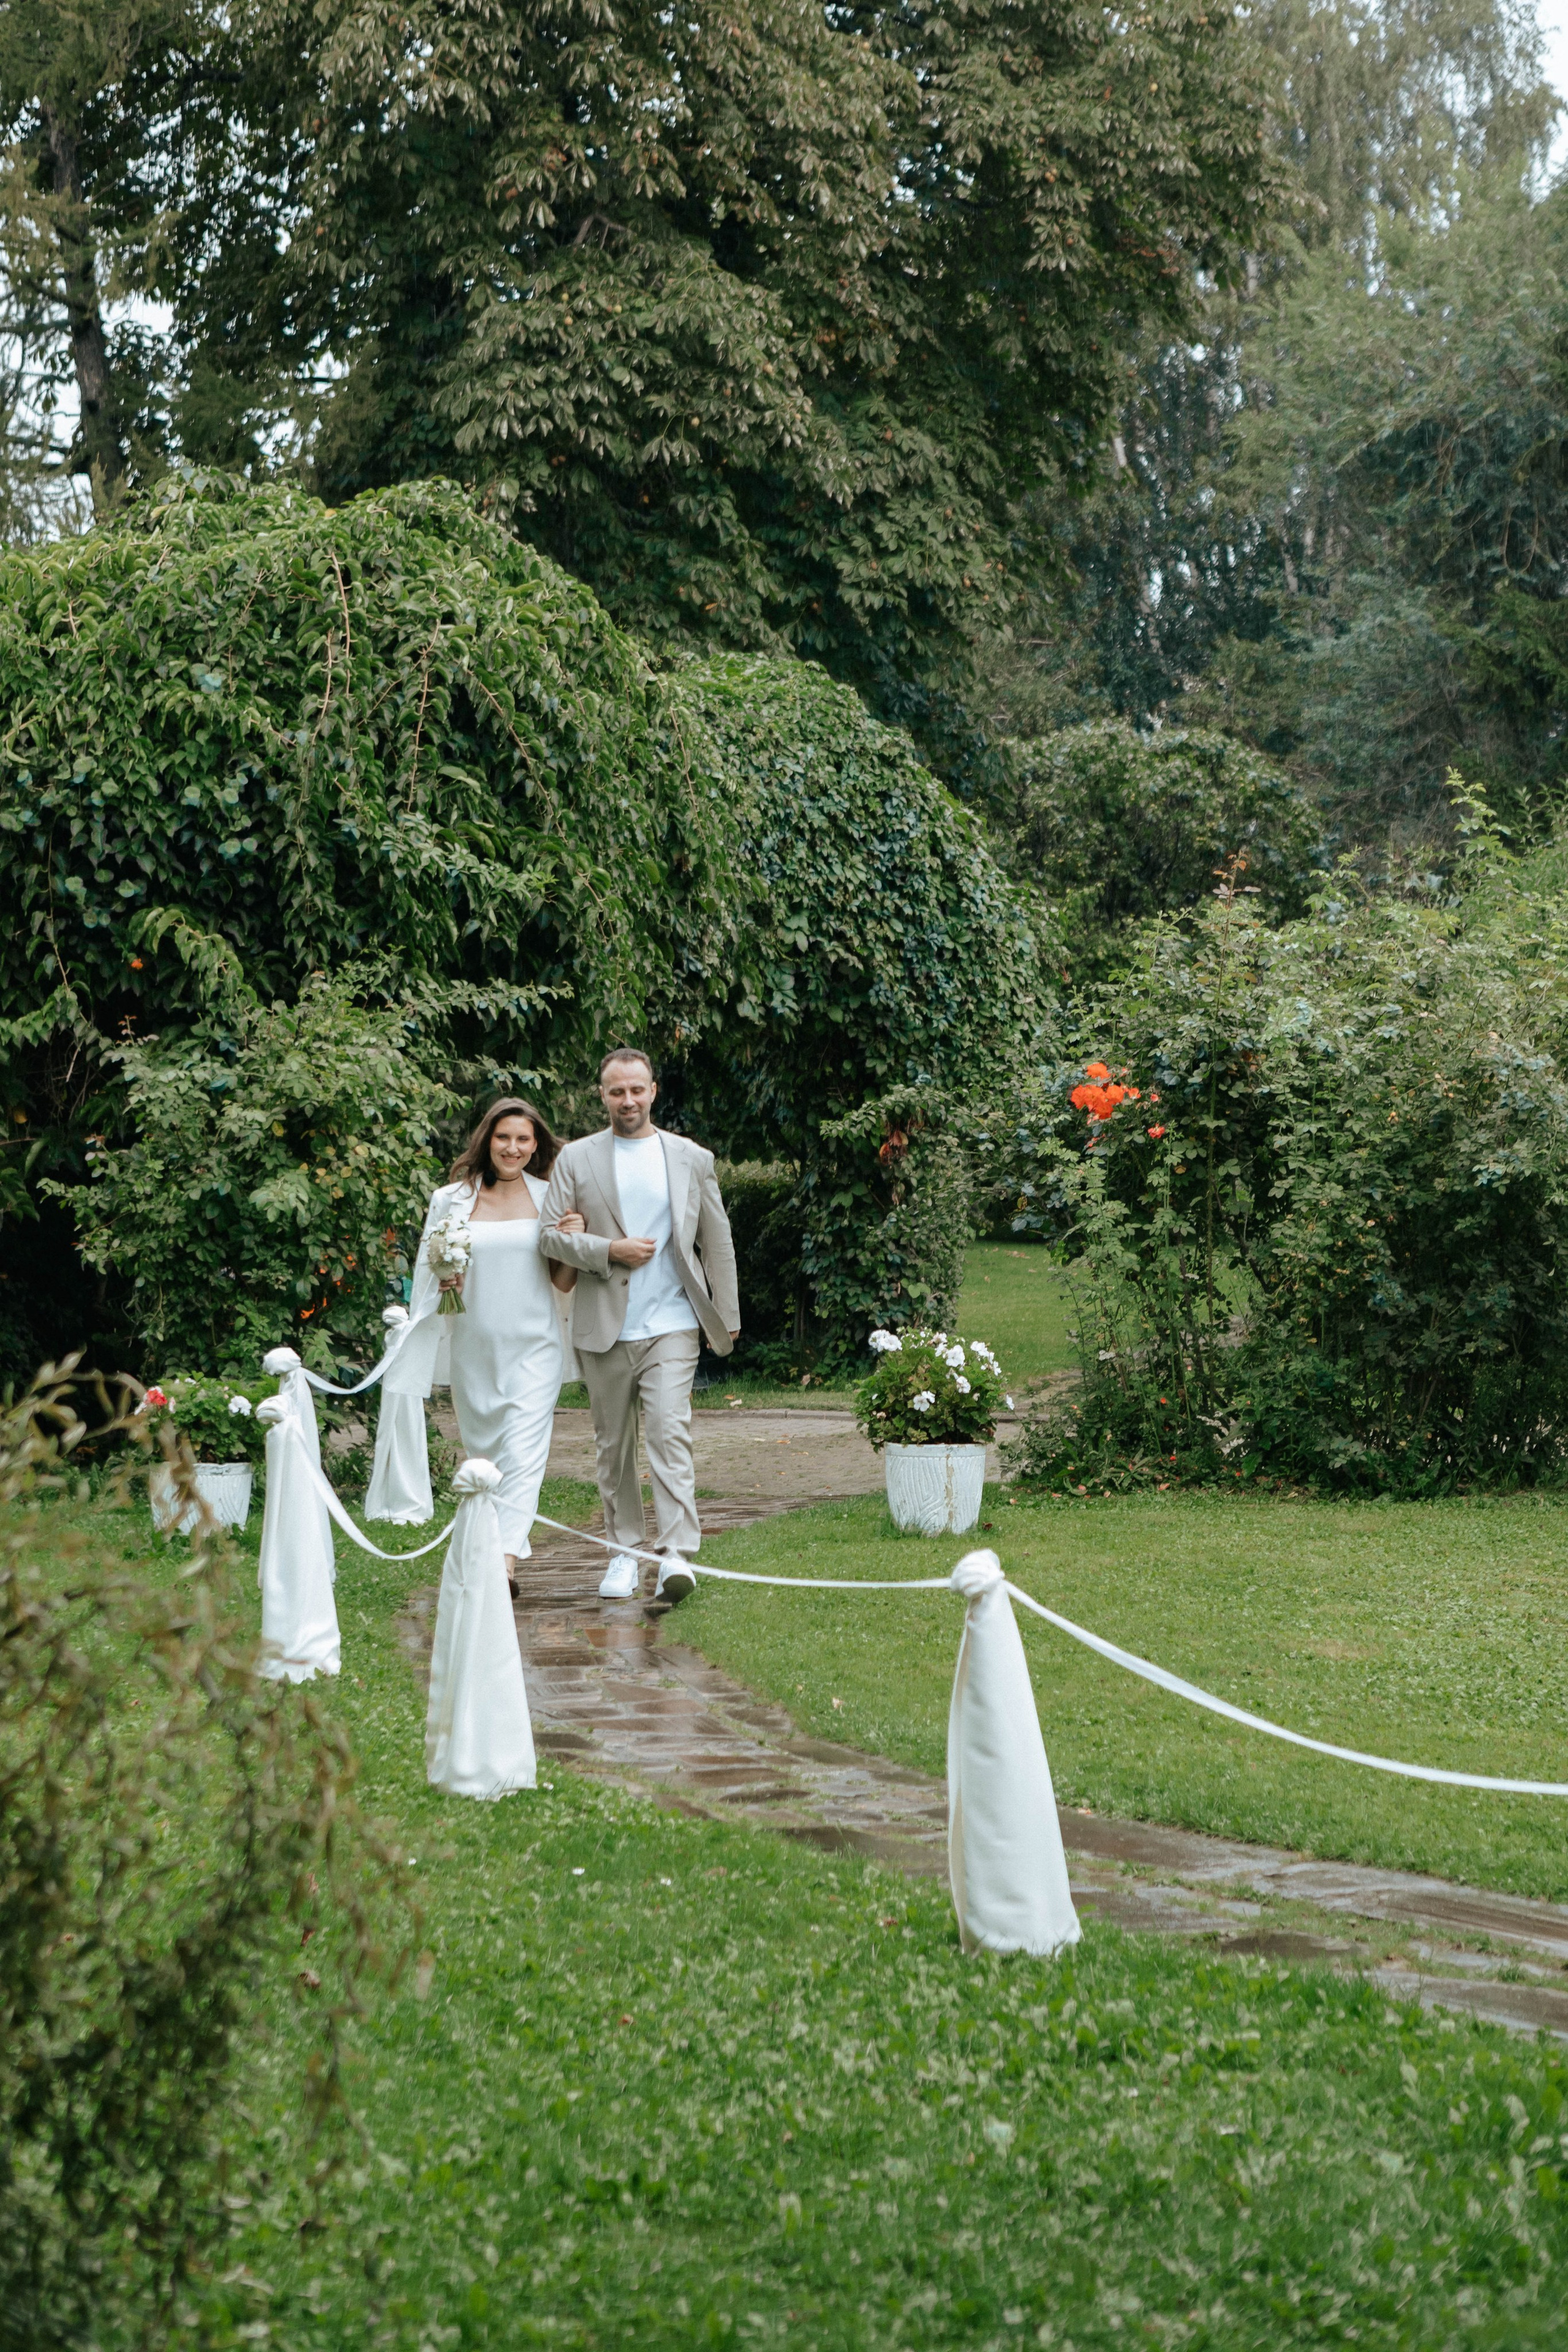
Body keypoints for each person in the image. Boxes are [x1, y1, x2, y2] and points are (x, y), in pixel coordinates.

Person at [538, 1047, 739, 1604]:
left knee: (668, 1431)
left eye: (637, 1090)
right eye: (616, 1091)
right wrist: (608, 1249)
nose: (628, 1100)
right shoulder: (576, 1159)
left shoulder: (690, 1157)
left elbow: (716, 1239)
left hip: (673, 1320)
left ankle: (676, 1555)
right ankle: (624, 1554)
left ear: (654, 1091)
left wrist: (729, 1311)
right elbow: (549, 1238)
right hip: (604, 1323)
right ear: (602, 1096)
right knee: (614, 1447)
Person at [390, 1098, 584, 1591]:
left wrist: (576, 1241)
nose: (513, 1148)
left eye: (523, 1139)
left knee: (524, 1455)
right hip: (474, 1349)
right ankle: (494, 1546)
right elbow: (427, 1273)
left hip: (535, 1348)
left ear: (536, 1144)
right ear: (487, 1140)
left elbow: (562, 1282)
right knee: (487, 1460)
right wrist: (444, 1278)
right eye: (503, 1138)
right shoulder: (451, 1199)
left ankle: (502, 1566)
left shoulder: (551, 1198)